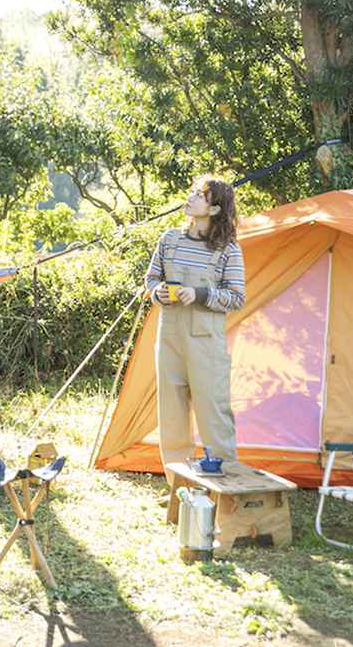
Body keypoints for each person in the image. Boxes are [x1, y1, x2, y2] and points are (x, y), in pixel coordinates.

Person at [144, 175, 245, 480]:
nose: (190, 197)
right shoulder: (169, 240)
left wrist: (201, 294)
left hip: (206, 341)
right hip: (170, 334)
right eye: (192, 192)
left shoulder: (229, 250)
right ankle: (180, 489)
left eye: (199, 195)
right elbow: (150, 279)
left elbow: (237, 297)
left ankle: (227, 492)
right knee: (172, 415)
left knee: (213, 414)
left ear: (214, 209)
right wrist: (157, 291)